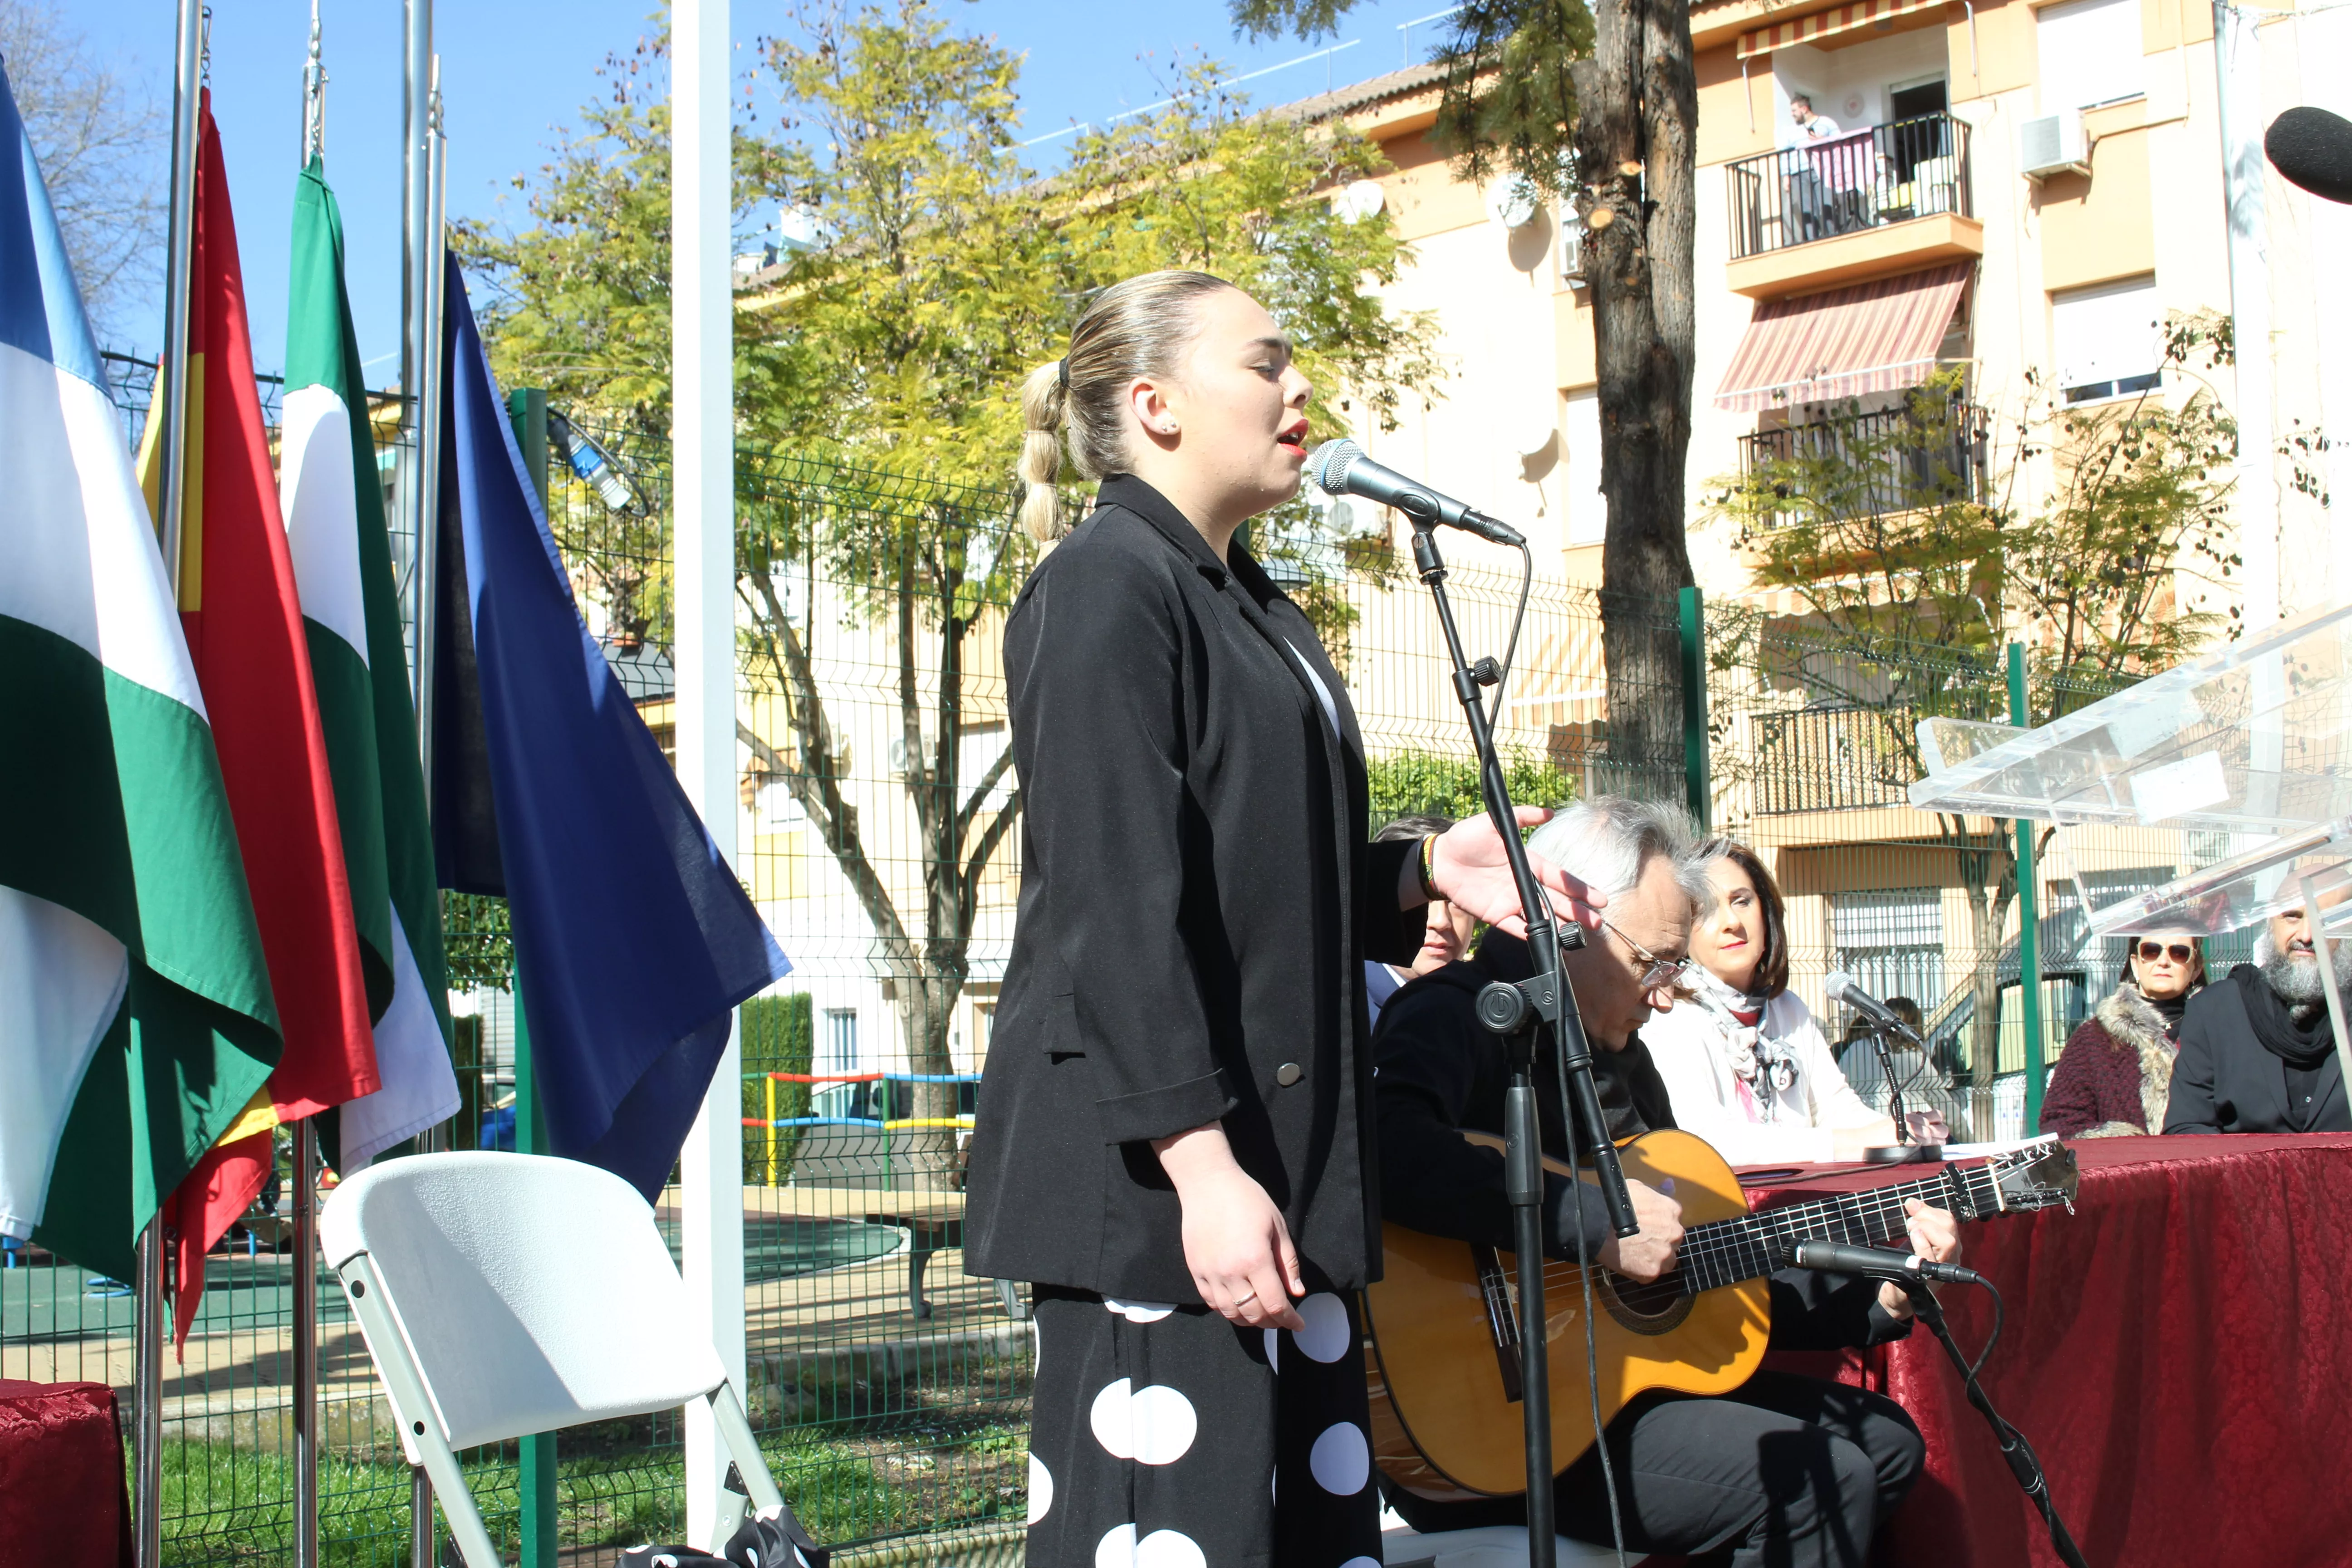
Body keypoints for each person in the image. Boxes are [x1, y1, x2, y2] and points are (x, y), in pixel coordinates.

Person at [962, 269, 1603, 1568]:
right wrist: (1200, 1173)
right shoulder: (1103, 587)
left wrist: (1423, 872)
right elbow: (1117, 908)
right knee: (1176, 1539)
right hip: (1165, 1192)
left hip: (1288, 1175)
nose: (1300, 386)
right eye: (1265, 364)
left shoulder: (1252, 606)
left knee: (1304, 1535)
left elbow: (1249, 880)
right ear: (1157, 405)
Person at [1373, 797, 1964, 1568]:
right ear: (1571, 923)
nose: (1664, 990)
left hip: (1609, 1395)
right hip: (1480, 1421)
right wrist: (1591, 1222)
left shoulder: (1620, 1056)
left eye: (1671, 965)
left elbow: (1694, 1274)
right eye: (1652, 959)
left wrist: (1874, 1297)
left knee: (1881, 1442)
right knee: (1814, 1482)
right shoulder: (1453, 1015)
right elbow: (1386, 1152)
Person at [1644, 838, 1913, 1164]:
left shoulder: (1790, 1008)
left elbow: (1833, 1107)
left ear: (1766, 911)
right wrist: (1844, 1144)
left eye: (1742, 901)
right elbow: (1708, 1140)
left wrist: (1899, 1131)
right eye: (1706, 909)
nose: (1732, 923)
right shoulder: (1668, 1016)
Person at [2165, 904, 2352, 1133]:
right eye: (2292, 916)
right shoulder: (2215, 1010)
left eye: (2327, 920)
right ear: (2270, 924)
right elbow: (2187, 1127)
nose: (2307, 936)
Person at [2040, 933, 2205, 1138]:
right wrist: (2125, 1142)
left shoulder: (2219, 1031)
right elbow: (2059, 1123)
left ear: (2196, 968)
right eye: (2151, 951)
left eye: (2179, 953)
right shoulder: (2094, 1038)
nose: (2164, 962)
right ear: (2135, 964)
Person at [1366, 814, 1477, 1033]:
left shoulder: (1495, 1007)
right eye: (1420, 903)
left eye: (1454, 901)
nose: (1440, 922)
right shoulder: (1343, 1010)